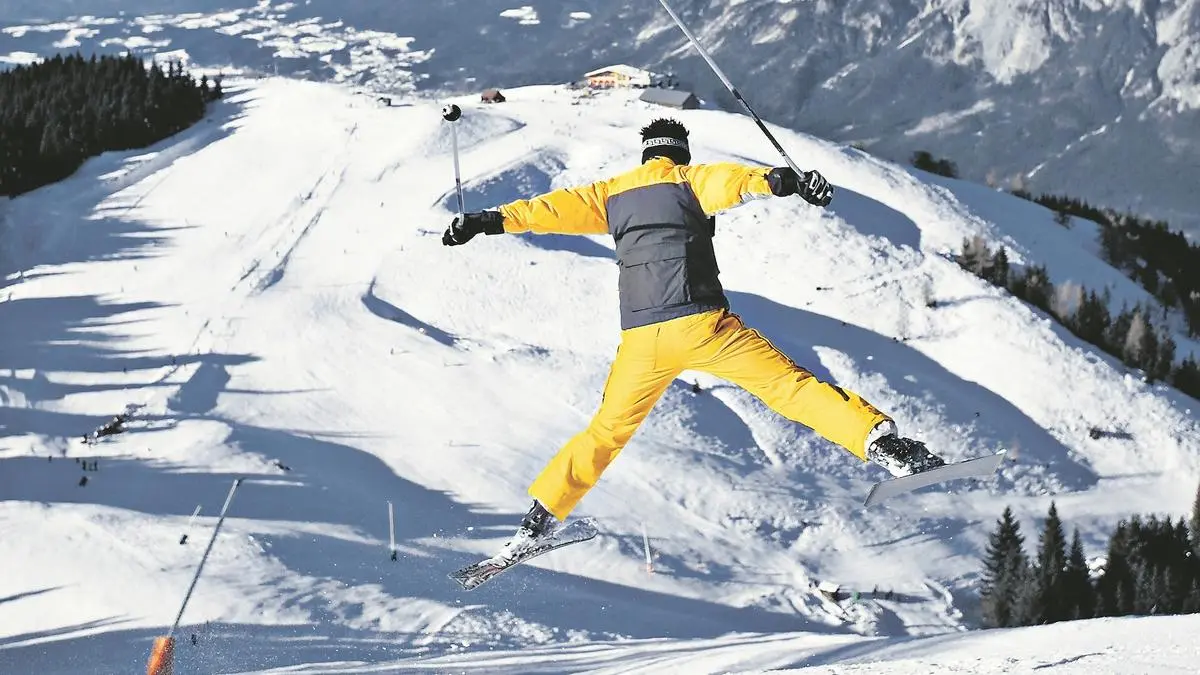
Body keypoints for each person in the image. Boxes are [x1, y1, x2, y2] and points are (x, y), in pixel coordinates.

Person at [441, 118, 944, 560]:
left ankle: (538, 522)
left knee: (604, 433)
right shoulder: (690, 181)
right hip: (704, 326)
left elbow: (543, 211)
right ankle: (887, 448)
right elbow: (741, 182)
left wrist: (483, 222)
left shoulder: (609, 195)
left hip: (642, 339)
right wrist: (784, 181)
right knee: (789, 389)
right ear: (680, 152)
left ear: (645, 155)